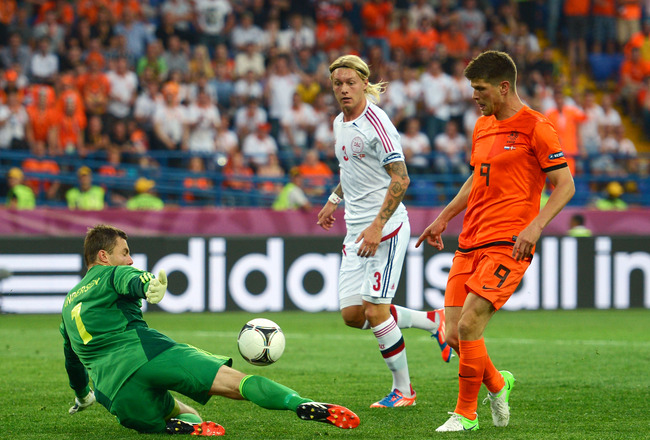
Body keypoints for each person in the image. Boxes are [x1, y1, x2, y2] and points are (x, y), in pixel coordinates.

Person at [61, 224, 360, 436]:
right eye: (125, 252)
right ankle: (301, 404)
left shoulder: (66, 308)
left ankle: (170, 429)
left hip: (114, 396)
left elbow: (72, 361)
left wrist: (83, 396)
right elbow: (132, 278)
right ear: (103, 256)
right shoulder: (113, 273)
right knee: (236, 383)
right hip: (146, 354)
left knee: (189, 415)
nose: (130, 259)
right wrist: (148, 283)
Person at [416, 50, 575, 432]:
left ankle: (465, 415)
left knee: (470, 325)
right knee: (452, 334)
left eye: (480, 88)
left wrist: (535, 227)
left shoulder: (537, 127)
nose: (475, 95)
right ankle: (499, 385)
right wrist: (442, 218)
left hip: (509, 242)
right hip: (471, 239)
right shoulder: (483, 126)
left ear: (504, 88)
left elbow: (565, 185)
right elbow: (476, 179)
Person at [316, 54, 450, 409]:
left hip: (386, 229)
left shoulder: (377, 122)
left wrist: (377, 225)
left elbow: (401, 178)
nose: (343, 89)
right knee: (352, 315)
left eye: (350, 83)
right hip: (355, 231)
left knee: (375, 310)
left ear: (364, 83)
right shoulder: (339, 123)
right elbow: (351, 169)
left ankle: (404, 391)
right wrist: (333, 199)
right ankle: (432, 320)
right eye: (337, 84)